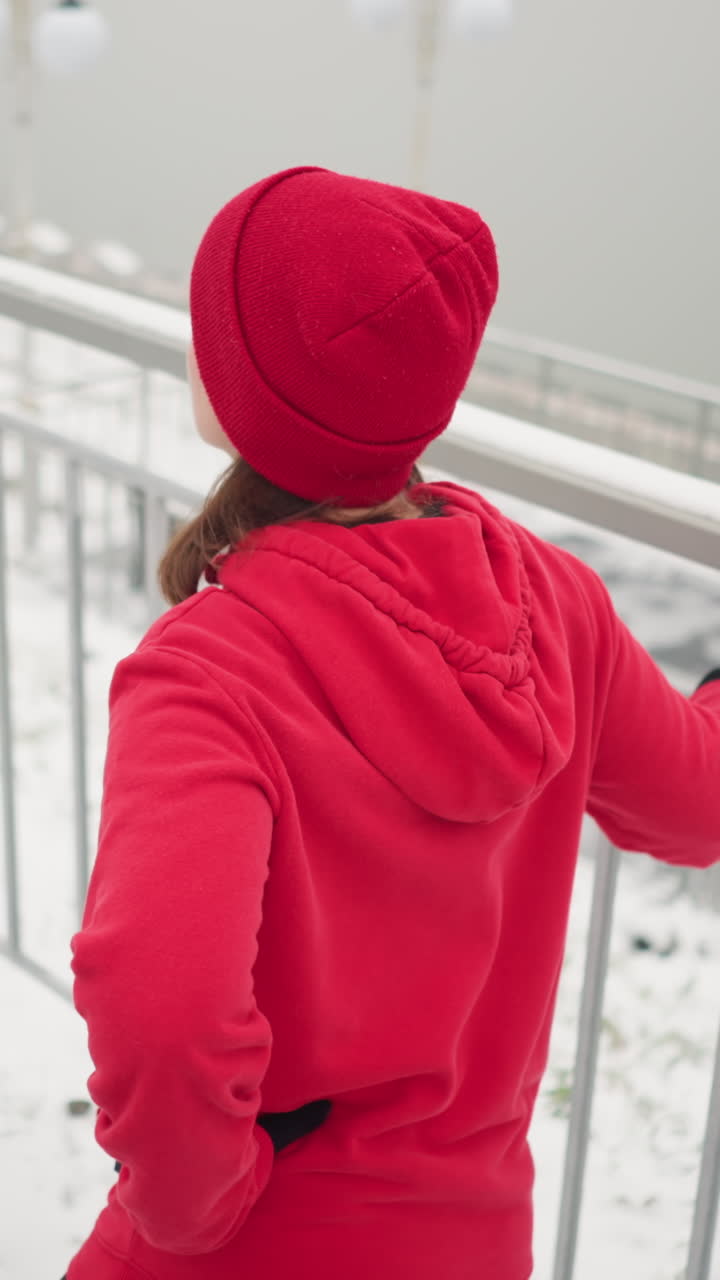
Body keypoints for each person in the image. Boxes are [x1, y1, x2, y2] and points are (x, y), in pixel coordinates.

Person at [60, 166, 720, 1280]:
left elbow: (165, 1014)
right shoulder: (553, 602)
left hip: (256, 1247)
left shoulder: (209, 676)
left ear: (252, 393)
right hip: (471, 1244)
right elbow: (699, 802)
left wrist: (192, 1207)